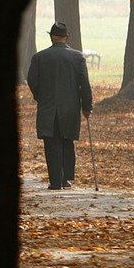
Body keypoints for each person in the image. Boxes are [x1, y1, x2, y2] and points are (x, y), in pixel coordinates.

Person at [26, 21, 93, 190]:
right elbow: (84, 83)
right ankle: (66, 179)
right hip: (70, 107)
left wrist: (40, 96)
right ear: (67, 37)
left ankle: (55, 181)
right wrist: (87, 106)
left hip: (48, 106)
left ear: (51, 37)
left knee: (51, 142)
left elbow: (32, 80)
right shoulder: (77, 57)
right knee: (67, 140)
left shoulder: (39, 57)